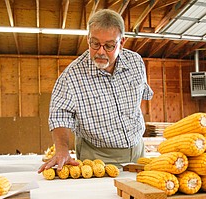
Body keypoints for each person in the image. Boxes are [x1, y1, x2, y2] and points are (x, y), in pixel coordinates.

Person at [38, 9, 153, 173]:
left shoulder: (136, 62)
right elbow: (59, 116)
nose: (100, 51)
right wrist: (62, 150)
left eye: (109, 46)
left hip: (137, 151)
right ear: (88, 39)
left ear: (122, 43)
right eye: (95, 43)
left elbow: (142, 93)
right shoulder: (72, 77)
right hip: (96, 157)